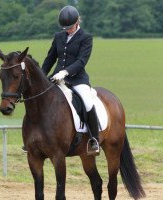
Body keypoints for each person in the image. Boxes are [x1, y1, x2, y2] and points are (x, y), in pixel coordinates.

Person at [41, 5, 100, 156]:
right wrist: (42, 76)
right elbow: (50, 58)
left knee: (87, 102)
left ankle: (94, 139)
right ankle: (34, 137)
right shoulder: (58, 37)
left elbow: (81, 61)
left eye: (70, 27)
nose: (68, 30)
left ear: (77, 21)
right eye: (65, 28)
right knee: (39, 99)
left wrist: (65, 72)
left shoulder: (86, 38)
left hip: (77, 80)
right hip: (57, 79)